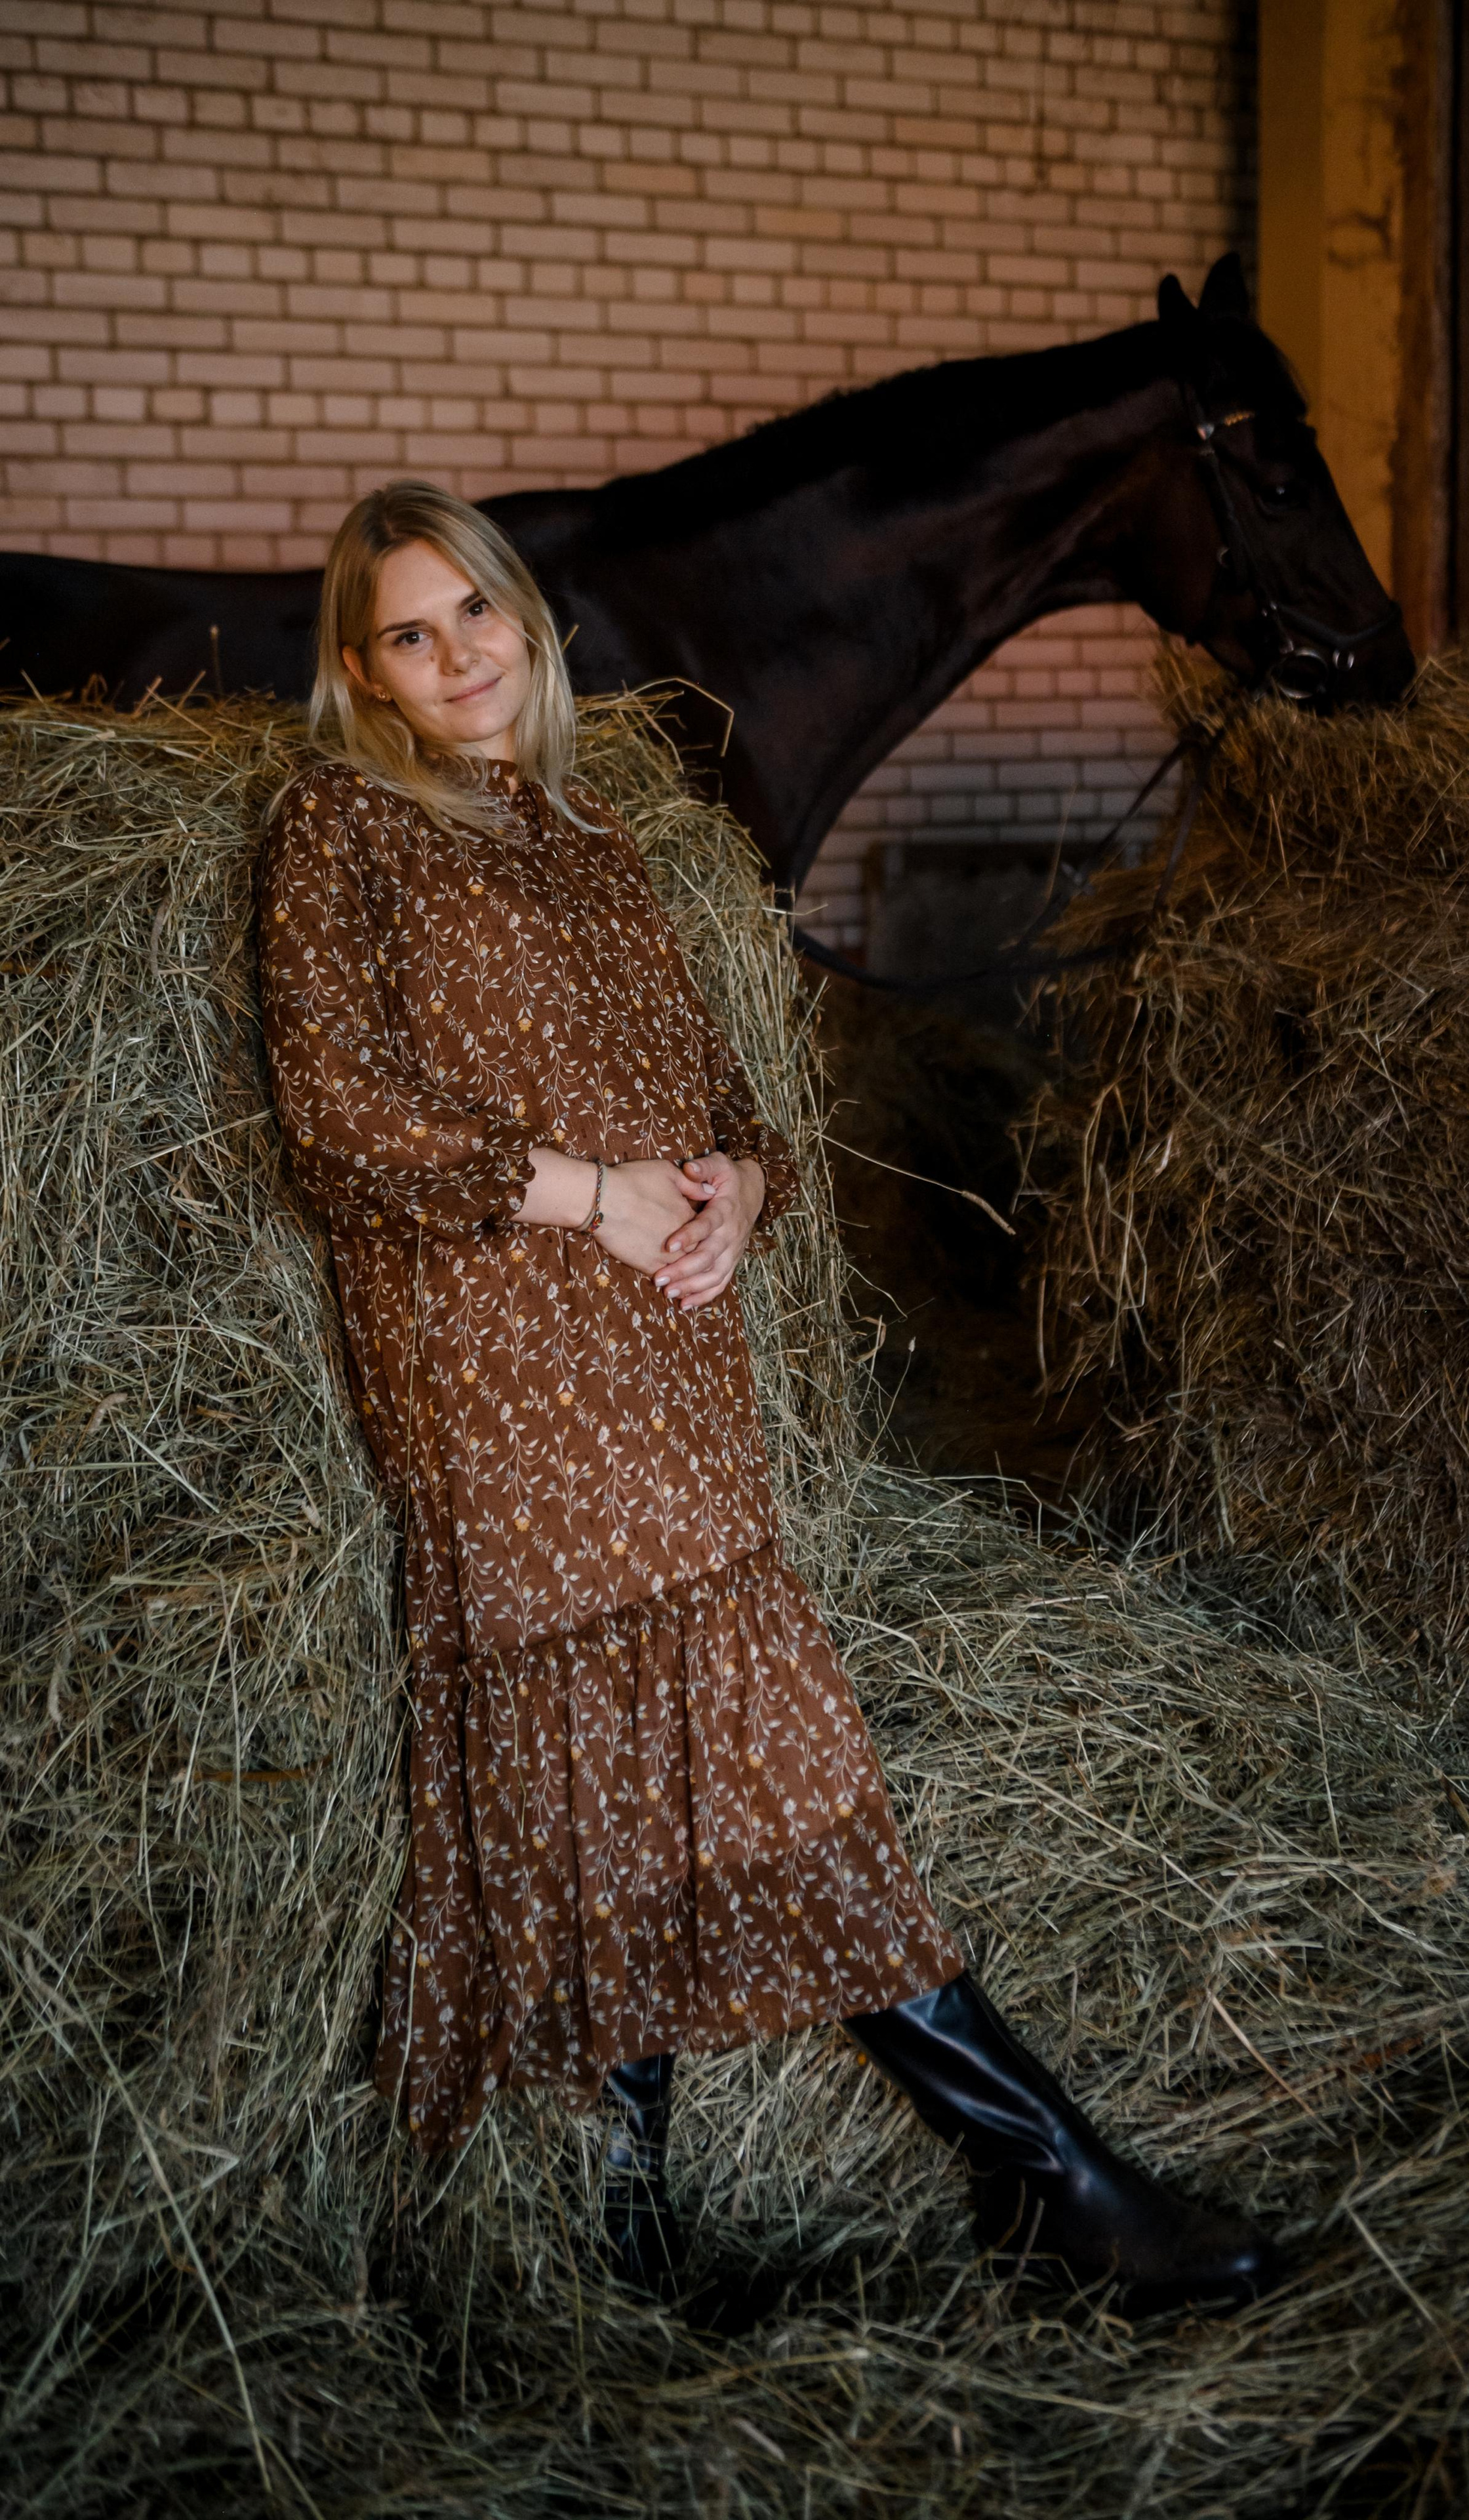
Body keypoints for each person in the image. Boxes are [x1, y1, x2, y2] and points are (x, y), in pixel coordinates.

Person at [258, 479, 1274, 2316]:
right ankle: (1051, 2180)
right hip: (501, 1376)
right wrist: (592, 1189)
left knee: (622, 1803)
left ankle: (625, 2241)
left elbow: (718, 1084)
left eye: (476, 612)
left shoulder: (578, 834)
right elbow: (341, 1125)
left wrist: (735, 1178)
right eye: (411, 632)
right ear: (362, 671)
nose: (457, 653)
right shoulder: (343, 832)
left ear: (527, 626)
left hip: (660, 1363)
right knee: (772, 1762)